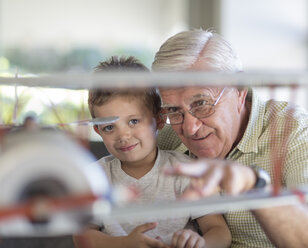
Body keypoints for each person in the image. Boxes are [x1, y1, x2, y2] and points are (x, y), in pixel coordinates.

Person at [152, 30, 308, 248]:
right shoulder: (164, 142)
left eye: (201, 104)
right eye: (174, 110)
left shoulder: (297, 131)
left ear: (239, 90)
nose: (190, 128)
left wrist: (255, 187)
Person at [74, 56, 231, 248]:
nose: (123, 136)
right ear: (97, 131)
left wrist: (201, 243)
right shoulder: (95, 177)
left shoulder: (186, 171)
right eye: (109, 127)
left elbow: (219, 231)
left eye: (133, 121)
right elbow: (82, 237)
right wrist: (124, 244)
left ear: (159, 120)